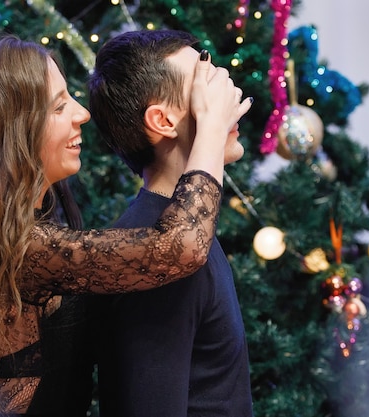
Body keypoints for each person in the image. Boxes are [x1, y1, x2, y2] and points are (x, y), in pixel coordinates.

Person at [0, 35, 251, 417]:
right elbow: (180, 246)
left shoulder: (38, 229)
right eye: (58, 107)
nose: (82, 114)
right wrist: (210, 125)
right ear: (7, 133)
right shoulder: (16, 248)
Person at [88, 29, 254, 417]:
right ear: (162, 120)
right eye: (203, 83)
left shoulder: (187, 226)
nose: (225, 94)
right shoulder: (152, 256)